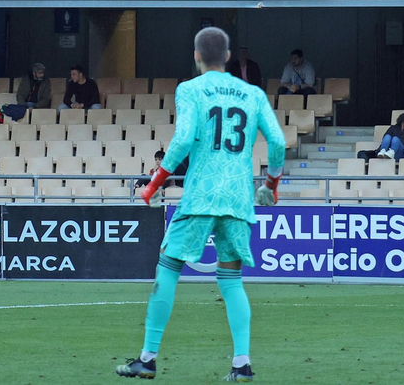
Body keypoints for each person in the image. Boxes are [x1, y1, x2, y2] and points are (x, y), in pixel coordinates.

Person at [121, 27, 286, 382]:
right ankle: (241, 363)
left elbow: (182, 141)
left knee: (168, 267)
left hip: (201, 195)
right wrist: (270, 185)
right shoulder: (253, 93)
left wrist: (154, 184)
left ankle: (148, 358)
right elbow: (277, 142)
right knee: (231, 280)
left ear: (196, 56)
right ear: (227, 57)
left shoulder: (190, 90)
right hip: (238, 197)